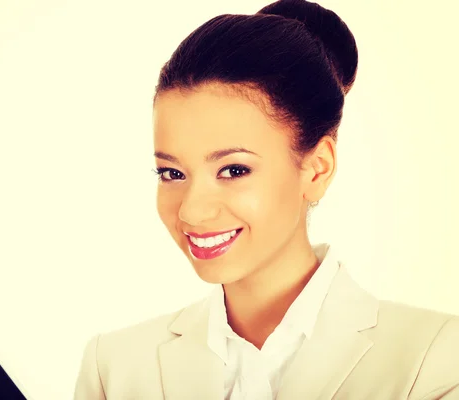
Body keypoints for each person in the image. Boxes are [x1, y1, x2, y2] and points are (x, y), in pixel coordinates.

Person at [73, 0, 459, 398]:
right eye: (172, 173)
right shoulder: (114, 368)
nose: (191, 210)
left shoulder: (434, 360)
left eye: (234, 170)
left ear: (317, 169)